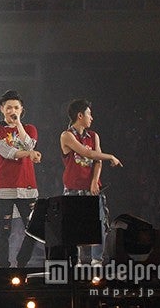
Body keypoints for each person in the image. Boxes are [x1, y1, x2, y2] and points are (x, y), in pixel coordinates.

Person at [60, 98, 123, 264]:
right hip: (73, 187)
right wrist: (111, 156)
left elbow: (97, 160)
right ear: (80, 115)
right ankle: (77, 260)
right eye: (89, 114)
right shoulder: (67, 135)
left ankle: (96, 260)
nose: (92, 118)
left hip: (92, 188)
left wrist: (95, 180)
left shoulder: (94, 136)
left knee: (99, 223)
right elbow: (87, 154)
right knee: (74, 225)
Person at [0, 89, 42, 268]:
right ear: (2, 109)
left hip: (27, 186)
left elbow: (29, 144)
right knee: (4, 230)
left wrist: (18, 125)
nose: (12, 111)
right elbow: (8, 152)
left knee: (34, 229)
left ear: (21, 109)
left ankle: (22, 262)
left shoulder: (30, 129)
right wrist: (29, 154)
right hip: (4, 187)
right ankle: (3, 267)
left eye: (16, 108)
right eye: (9, 107)